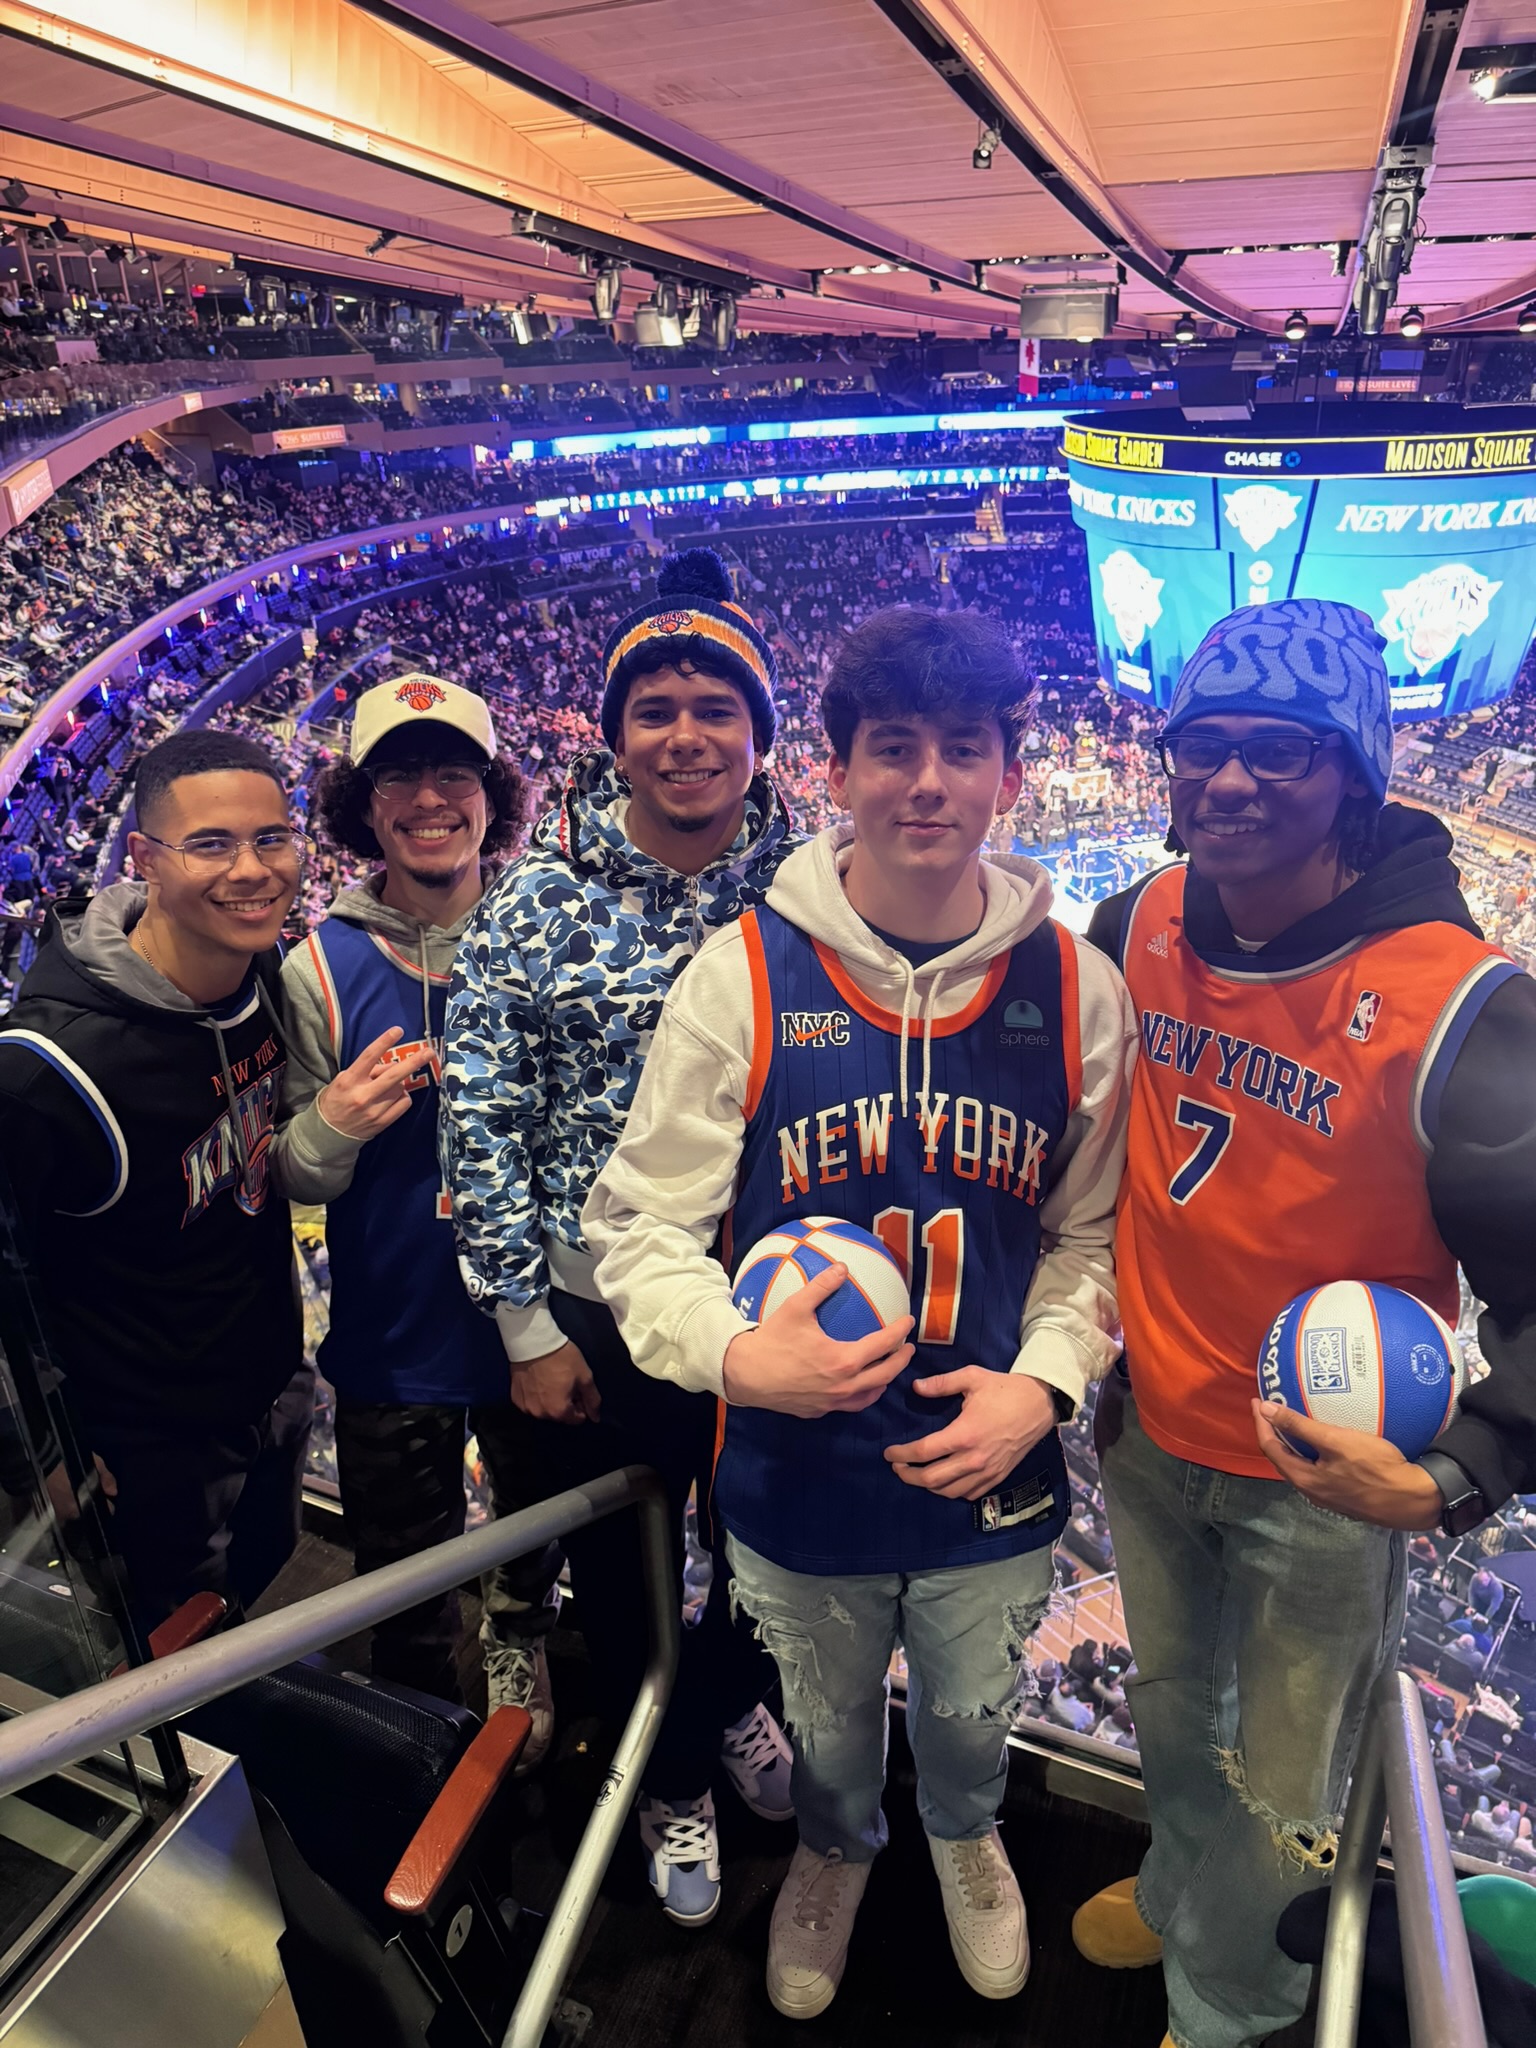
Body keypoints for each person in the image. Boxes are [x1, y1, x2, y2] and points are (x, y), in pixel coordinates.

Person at [585, 603, 1135, 2015]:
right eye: (895, 748)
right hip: (796, 1465)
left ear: (1011, 771)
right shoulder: (743, 972)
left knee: (971, 1710)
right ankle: (835, 1846)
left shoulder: (1079, 986)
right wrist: (731, 1353)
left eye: (965, 748)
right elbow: (638, 1228)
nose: (929, 782)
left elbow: (1091, 1238)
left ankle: (964, 1835)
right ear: (837, 769)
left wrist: (1044, 1383)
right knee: (826, 1720)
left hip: (990, 1464)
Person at [1070, 600, 1536, 2048]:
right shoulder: (1135, 921)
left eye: (1281, 749)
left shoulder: (1462, 1005)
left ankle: (1229, 2004)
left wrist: (1459, 1471)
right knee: (1169, 1713)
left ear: (1356, 775)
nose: (1229, 778)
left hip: (1321, 1496)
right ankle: (1179, 1895)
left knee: (1288, 1788)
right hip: (1150, 1437)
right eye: (1202, 743)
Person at [441, 548, 796, 1928]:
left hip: (781, 1301)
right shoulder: (535, 900)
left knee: (771, 1560)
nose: (686, 735)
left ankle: (725, 1710)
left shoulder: (816, 888)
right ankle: (667, 1778)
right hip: (602, 1314)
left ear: (760, 732)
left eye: (717, 707)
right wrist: (525, 1322)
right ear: (614, 733)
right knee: (629, 1566)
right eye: (656, 708)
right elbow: (482, 1117)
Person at [271, 673, 561, 1749]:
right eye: (400, 775)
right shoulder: (317, 967)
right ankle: (419, 1742)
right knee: (399, 1583)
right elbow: (296, 1175)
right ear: (364, 801)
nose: (430, 798)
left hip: (538, 1330)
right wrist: (333, 1125)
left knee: (534, 1544)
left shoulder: (550, 939)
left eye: (454, 772)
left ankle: (519, 1644)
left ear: (494, 794)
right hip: (393, 1344)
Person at [0, 730, 311, 1633]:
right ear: (143, 858)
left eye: (271, 838)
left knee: (265, 1599)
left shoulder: (259, 968)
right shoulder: (44, 1069)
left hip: (271, 1386)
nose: (251, 870)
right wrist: (37, 1454)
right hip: (147, 1451)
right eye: (211, 843)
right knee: (183, 1660)